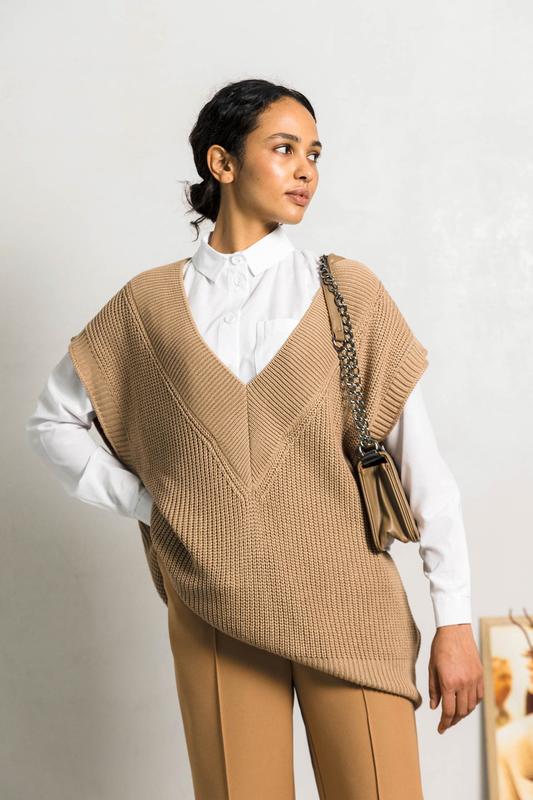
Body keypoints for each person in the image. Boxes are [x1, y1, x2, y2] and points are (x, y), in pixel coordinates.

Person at [26, 78, 484, 799]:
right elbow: (52, 423)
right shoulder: (146, 308)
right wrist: (154, 505)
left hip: (350, 607)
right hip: (214, 607)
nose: (306, 171)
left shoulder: (346, 293)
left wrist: (453, 621)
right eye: (284, 149)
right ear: (223, 163)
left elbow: (422, 468)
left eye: (314, 154)